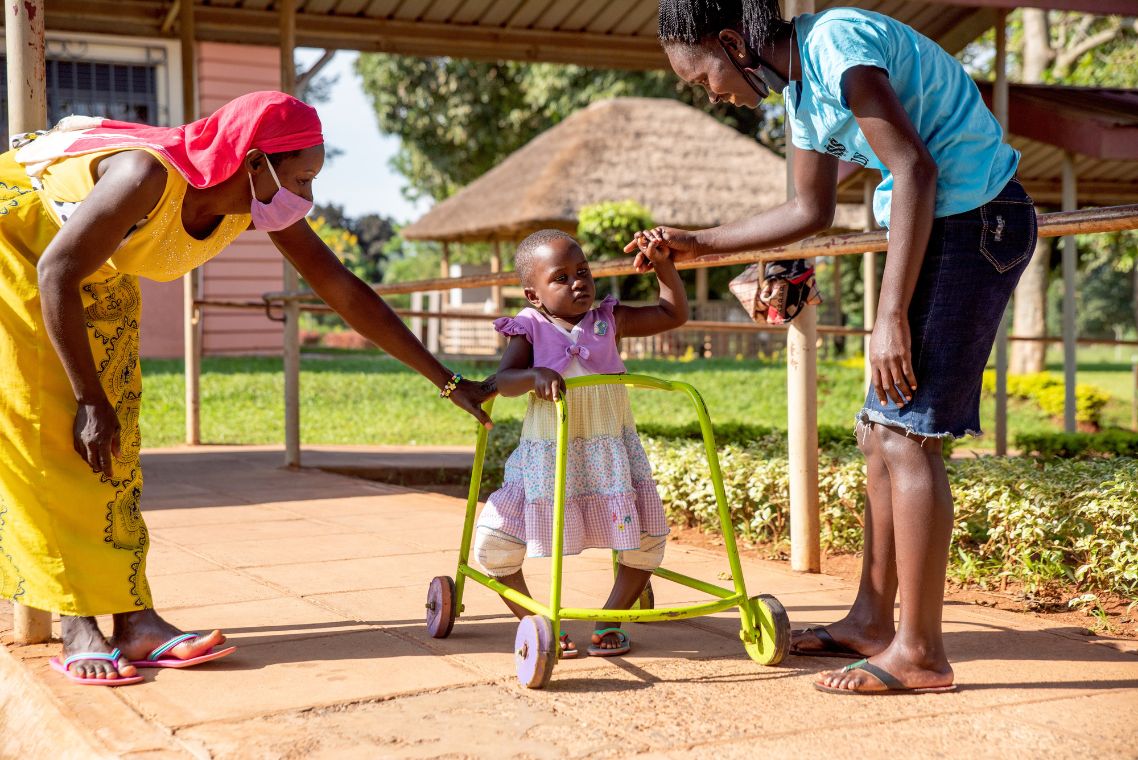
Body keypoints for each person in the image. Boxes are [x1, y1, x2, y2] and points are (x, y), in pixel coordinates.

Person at [0, 91, 493, 686]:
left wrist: (447, 380)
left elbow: (341, 288)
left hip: (87, 263)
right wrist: (87, 398)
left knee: (115, 443)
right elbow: (56, 270)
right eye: (303, 177)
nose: (307, 197)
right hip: (23, 252)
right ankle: (79, 623)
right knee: (55, 433)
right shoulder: (143, 177)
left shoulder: (251, 202)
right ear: (255, 162)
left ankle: (134, 619)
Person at [630, 1, 1037, 694]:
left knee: (908, 438)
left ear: (732, 41)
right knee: (877, 434)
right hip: (946, 230)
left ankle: (922, 653)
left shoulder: (837, 44)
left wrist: (889, 319)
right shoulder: (800, 94)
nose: (713, 93)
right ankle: (874, 622)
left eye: (704, 78)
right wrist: (697, 243)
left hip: (977, 225)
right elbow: (806, 210)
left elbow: (913, 171)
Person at [473, 229, 687, 657]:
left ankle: (611, 617)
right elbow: (503, 380)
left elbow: (671, 314)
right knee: (495, 543)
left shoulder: (610, 319)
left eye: (584, 271)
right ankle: (537, 620)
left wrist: (664, 267)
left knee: (646, 540)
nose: (578, 282)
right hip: (548, 457)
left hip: (610, 455)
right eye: (562, 277)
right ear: (533, 295)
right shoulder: (529, 327)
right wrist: (533, 376)